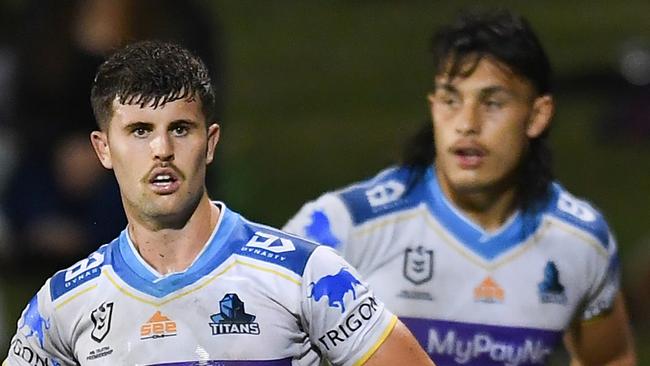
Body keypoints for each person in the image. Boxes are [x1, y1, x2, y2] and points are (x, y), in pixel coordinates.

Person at [4, 41, 433, 366]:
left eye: (180, 129)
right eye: (138, 130)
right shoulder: (61, 305)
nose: (161, 149)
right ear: (103, 149)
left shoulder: (305, 275)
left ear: (209, 143)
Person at [283, 9, 637, 366]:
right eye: (451, 100)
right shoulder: (346, 226)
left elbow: (610, 357)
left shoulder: (580, 241)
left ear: (537, 116)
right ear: (434, 107)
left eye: (492, 103)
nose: (467, 123)